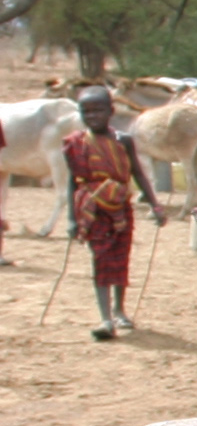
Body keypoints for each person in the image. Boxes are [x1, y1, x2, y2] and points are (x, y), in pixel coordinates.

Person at [64, 85, 162, 340]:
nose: (93, 116)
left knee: (120, 260)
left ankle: (119, 310)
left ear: (111, 111)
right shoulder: (76, 143)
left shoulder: (123, 140)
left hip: (120, 209)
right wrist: (71, 219)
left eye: (98, 110)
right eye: (86, 111)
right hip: (93, 209)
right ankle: (105, 318)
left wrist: (155, 204)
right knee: (101, 260)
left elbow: (138, 173)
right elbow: (72, 182)